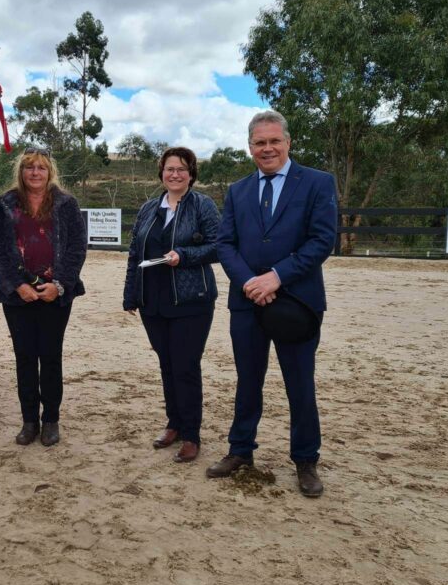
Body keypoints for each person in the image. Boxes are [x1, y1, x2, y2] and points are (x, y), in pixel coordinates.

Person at [212, 110, 337, 496]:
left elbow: (322, 240)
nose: (267, 148)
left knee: (300, 383)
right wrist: (250, 282)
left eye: (274, 141)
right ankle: (240, 450)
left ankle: (305, 459)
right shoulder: (238, 190)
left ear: (288, 142)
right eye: (259, 142)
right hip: (247, 301)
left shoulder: (317, 183)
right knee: (248, 379)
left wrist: (277, 276)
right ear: (250, 146)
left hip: (297, 301)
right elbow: (225, 244)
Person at [123, 147, 220, 463]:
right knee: (167, 364)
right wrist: (130, 294)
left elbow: (219, 246)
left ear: (191, 174)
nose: (175, 174)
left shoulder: (203, 205)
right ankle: (174, 424)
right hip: (153, 301)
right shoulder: (149, 208)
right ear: (161, 173)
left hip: (191, 301)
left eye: (181, 169)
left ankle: (191, 434)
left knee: (185, 366)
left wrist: (185, 255)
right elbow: (135, 254)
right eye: (169, 169)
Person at [0, 149, 87, 447]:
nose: (35, 173)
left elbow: (77, 248)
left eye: (41, 168)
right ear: (20, 171)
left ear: (50, 172)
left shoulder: (66, 204)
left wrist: (60, 284)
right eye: (29, 167)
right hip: (18, 296)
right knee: (25, 358)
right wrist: (17, 285)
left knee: (51, 356)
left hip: (54, 295)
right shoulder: (5, 204)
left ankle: (51, 420)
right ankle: (29, 421)